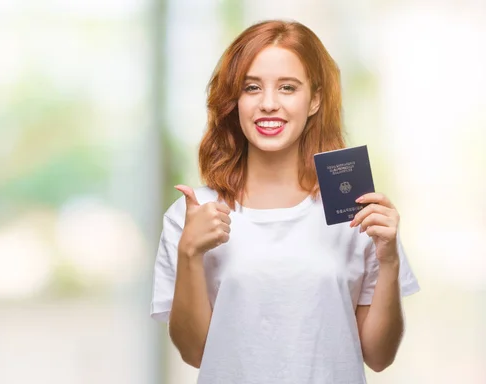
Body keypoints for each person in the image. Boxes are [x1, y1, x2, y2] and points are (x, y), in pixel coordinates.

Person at [149, 19, 420, 384]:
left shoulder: (356, 210)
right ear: (235, 101)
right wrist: (189, 253)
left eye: (288, 88)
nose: (269, 104)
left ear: (315, 100)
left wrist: (388, 260)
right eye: (252, 88)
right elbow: (194, 352)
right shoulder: (195, 213)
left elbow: (379, 356)